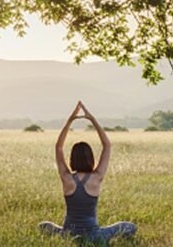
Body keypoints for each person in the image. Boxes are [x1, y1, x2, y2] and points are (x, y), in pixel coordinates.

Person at [38, 101, 136, 243]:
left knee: (43, 226)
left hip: (68, 234)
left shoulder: (66, 178)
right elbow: (107, 146)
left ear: (72, 159)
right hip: (94, 236)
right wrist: (92, 119)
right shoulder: (97, 178)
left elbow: (58, 147)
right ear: (91, 158)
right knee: (130, 226)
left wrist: (70, 120)